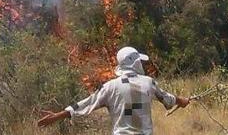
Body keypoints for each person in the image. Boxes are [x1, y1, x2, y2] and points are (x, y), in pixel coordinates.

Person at [37, 46, 190, 134]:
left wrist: (58, 115)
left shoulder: (110, 87)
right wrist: (182, 101)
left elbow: (86, 104)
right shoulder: (148, 83)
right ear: (136, 63)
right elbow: (168, 99)